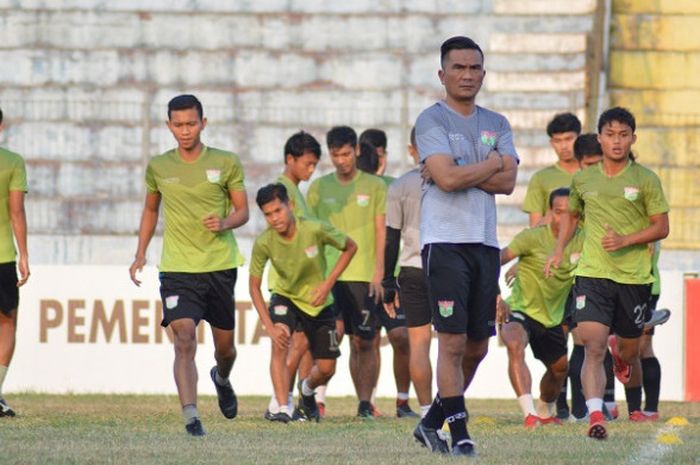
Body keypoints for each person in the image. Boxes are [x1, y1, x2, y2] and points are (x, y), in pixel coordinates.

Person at [413, 36, 518, 456]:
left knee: (477, 345)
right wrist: (490, 164)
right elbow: (447, 180)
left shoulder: (499, 122)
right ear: (442, 74)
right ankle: (460, 435)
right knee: (452, 342)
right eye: (458, 67)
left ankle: (431, 423)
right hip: (445, 242)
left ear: (483, 74)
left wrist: (465, 170)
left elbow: (507, 183)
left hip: (485, 243)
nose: (467, 75)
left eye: (474, 68)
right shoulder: (431, 121)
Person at [545, 107, 669, 440]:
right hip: (592, 274)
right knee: (592, 344)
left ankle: (623, 360)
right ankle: (596, 414)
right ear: (599, 138)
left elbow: (662, 226)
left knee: (629, 351)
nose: (616, 141)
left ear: (633, 138)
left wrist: (626, 239)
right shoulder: (583, 178)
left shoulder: (645, 179)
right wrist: (559, 250)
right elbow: (571, 215)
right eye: (610, 134)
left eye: (623, 134)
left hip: (634, 278)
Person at [129, 94, 249, 436]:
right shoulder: (158, 167)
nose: (185, 130)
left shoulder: (226, 162)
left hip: (219, 266)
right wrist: (140, 253)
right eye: (178, 124)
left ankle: (221, 377)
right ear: (169, 126)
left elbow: (243, 211)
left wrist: (225, 222)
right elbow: (151, 210)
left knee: (225, 349)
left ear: (203, 123)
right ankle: (192, 417)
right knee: (183, 338)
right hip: (178, 269)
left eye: (191, 123)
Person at [249, 183, 357, 422]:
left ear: (290, 205)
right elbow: (254, 287)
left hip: (318, 303)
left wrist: (328, 284)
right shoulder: (264, 242)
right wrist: (268, 325)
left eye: (278, 211)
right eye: (268, 214)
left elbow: (350, 247)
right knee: (280, 340)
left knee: (327, 368)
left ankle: (306, 390)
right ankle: (282, 407)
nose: (274, 219)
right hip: (285, 298)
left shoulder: (314, 229)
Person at [306, 126, 387, 418]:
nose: (341, 160)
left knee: (364, 341)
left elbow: (381, 231)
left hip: (364, 276)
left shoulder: (375, 186)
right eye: (335, 155)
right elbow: (310, 232)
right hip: (329, 275)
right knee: (328, 336)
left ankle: (365, 403)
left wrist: (380, 272)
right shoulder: (318, 187)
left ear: (356, 151)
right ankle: (311, 398)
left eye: (346, 154)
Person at [498, 188, 581, 427]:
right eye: (558, 212)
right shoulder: (531, 237)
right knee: (514, 344)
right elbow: (494, 260)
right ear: (548, 212)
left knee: (559, 370)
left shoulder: (584, 239)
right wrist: (496, 297)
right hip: (520, 309)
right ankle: (529, 414)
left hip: (553, 318)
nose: (562, 218)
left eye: (569, 213)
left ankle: (544, 410)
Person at [263, 131, 322, 420]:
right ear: (291, 159)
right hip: (288, 285)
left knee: (300, 343)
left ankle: (281, 402)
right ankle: (278, 403)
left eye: (315, 165)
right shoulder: (283, 191)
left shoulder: (296, 191)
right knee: (289, 343)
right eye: (307, 164)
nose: (311, 170)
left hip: (302, 284)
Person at [356, 139, 415, 418]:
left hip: (392, 277)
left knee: (401, 337)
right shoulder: (346, 191)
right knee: (363, 341)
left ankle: (403, 401)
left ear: (384, 156)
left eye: (379, 152)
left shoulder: (395, 187)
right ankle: (365, 403)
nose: (375, 157)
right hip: (357, 279)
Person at [383, 126, 433, 419]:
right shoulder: (454, 181)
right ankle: (448, 405)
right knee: (455, 343)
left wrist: (388, 282)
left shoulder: (400, 186)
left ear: (412, 149)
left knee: (419, 343)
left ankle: (427, 410)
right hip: (448, 267)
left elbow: (392, 238)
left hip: (412, 270)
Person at [0, 107, 30, 418]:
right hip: (2, 257)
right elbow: (16, 212)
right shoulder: (11, 162)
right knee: (7, 322)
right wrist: (24, 254)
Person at [523, 113, 581, 227]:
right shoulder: (540, 178)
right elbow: (535, 227)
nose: (564, 146)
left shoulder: (594, 173)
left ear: (579, 137)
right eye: (557, 141)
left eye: (569, 139)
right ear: (551, 143)